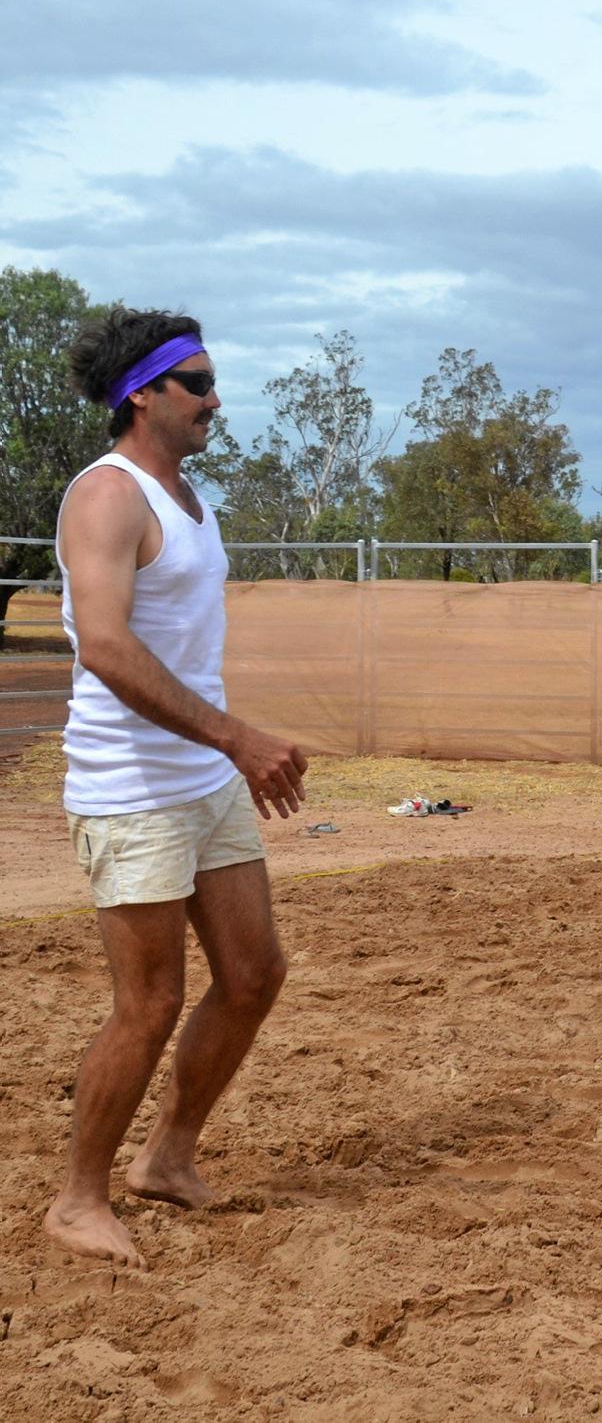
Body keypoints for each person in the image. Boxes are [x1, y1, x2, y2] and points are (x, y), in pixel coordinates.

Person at [44, 308, 308, 1269]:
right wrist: (239, 737)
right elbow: (105, 645)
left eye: (210, 379)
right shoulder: (107, 498)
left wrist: (227, 748)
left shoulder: (190, 498)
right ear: (143, 394)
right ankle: (78, 1199)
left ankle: (169, 1158)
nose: (214, 397)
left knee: (253, 976)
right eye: (195, 382)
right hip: (131, 787)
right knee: (148, 1003)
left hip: (205, 778)